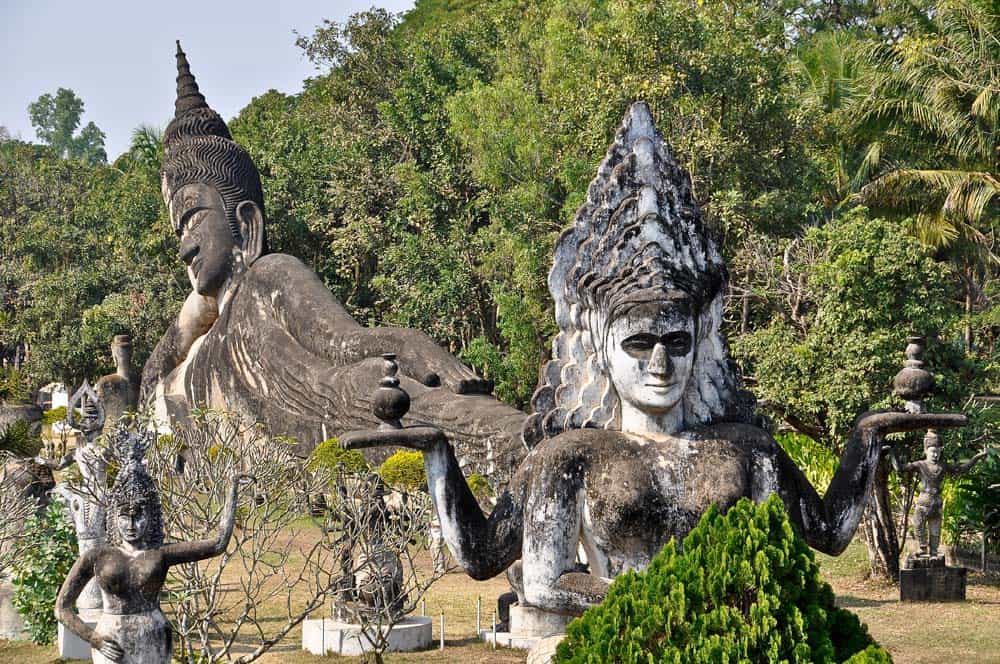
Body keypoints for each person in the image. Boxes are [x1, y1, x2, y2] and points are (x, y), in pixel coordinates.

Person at [342, 102, 966, 618]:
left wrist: (866, 438)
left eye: (678, 343)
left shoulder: (746, 449)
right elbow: (524, 574)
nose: (661, 362)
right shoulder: (571, 456)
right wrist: (438, 459)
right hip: (609, 642)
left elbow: (826, 535)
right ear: (599, 349)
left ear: (703, 341)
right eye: (639, 344)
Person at [142, 43, 526, 486]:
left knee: (374, 386)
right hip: (304, 453)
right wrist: (193, 315)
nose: (184, 248)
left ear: (246, 226)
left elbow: (343, 343)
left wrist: (406, 342)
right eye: (178, 232)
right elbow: (148, 386)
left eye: (192, 220)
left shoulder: (269, 275)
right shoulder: (199, 351)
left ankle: (518, 441)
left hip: (338, 404)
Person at [54, 428, 253, 663]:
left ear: (150, 517)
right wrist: (93, 638)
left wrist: (232, 490)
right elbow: (62, 608)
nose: (131, 525)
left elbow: (218, 543)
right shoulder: (97, 556)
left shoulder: (160, 554)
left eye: (138, 516)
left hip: (154, 638)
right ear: (113, 517)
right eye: (124, 516)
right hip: (111, 640)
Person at [887, 429, 992, 559]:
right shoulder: (920, 465)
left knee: (935, 530)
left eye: (937, 452)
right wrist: (892, 452)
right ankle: (923, 548)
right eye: (932, 451)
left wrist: (977, 457)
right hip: (923, 502)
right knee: (918, 525)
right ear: (926, 451)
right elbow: (900, 468)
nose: (935, 455)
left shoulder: (943, 466)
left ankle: (933, 552)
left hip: (936, 504)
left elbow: (963, 469)